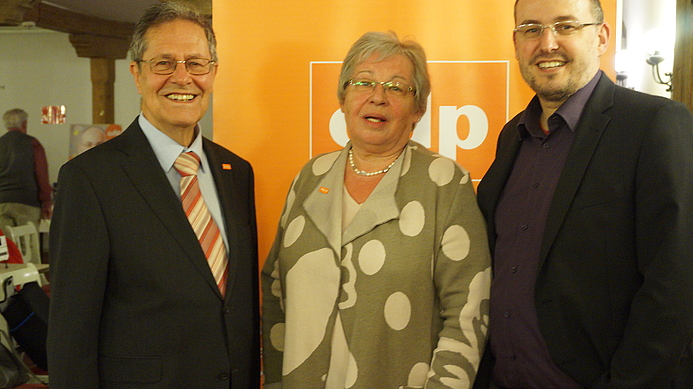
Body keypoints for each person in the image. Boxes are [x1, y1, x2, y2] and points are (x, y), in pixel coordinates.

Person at [474, 0, 693, 387]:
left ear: (601, 36)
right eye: (531, 29)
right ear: (515, 41)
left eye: (565, 26)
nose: (547, 43)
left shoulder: (655, 124)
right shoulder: (512, 137)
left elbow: (675, 284)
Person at [46, 3, 260, 388]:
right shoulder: (90, 179)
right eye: (164, 63)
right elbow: (70, 335)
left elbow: (234, 306)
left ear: (212, 72)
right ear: (137, 74)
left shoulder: (237, 173)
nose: (182, 78)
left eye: (196, 63)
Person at [262, 31, 491, 389]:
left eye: (396, 87)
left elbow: (467, 311)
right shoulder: (309, 177)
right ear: (343, 98)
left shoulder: (444, 183)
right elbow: (277, 292)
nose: (377, 97)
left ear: (418, 109)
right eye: (363, 83)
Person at [0, 108, 52, 234]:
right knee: (28, 247)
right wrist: (46, 202)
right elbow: (42, 175)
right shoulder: (33, 144)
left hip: (1, 203)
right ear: (24, 124)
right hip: (27, 202)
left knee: (7, 247)